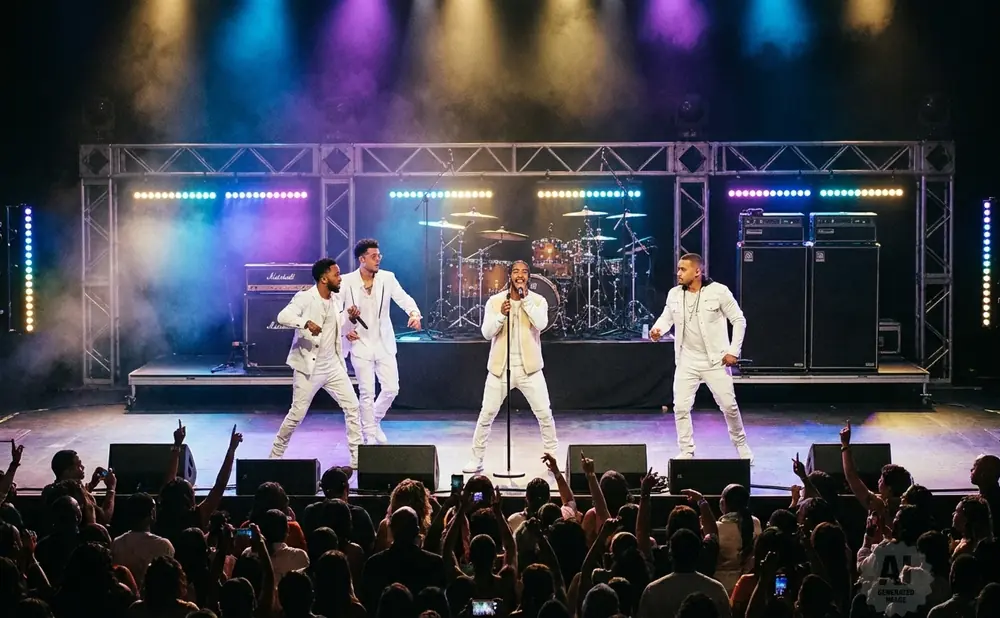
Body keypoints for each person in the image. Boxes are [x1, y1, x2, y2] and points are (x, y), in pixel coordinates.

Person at [649, 253, 753, 463]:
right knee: (680, 407)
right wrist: (657, 329)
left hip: (715, 361)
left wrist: (733, 350)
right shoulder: (674, 294)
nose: (678, 273)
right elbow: (666, 316)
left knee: (728, 406)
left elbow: (739, 320)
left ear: (697, 271)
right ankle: (686, 450)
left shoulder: (719, 292)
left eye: (683, 269)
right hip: (687, 360)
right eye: (678, 269)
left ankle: (742, 447)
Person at [463, 260, 558, 474]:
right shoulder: (496, 302)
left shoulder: (538, 301)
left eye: (524, 272)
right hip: (500, 369)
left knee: (544, 413)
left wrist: (525, 302)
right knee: (486, 414)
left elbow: (541, 324)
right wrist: (500, 316)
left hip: (530, 370)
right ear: (510, 276)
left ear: (529, 277)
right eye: (516, 271)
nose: (520, 275)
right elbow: (487, 333)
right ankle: (476, 459)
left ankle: (552, 459)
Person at [269, 258, 363, 469]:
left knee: (352, 407)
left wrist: (352, 322)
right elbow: (283, 316)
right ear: (323, 278)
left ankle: (358, 459)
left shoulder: (337, 300)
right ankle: (274, 456)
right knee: (297, 415)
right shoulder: (305, 297)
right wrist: (305, 323)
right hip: (309, 368)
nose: (340, 278)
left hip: (333, 366)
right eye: (336, 275)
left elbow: (337, 328)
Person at [340, 238, 422, 445]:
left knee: (391, 388)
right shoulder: (347, 282)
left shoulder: (387, 278)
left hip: (383, 341)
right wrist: (345, 330)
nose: (378, 260)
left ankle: (373, 421)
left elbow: (403, 297)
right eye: (373, 256)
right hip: (360, 342)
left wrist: (414, 313)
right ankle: (368, 435)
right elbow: (334, 312)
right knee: (366, 392)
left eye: (379, 256)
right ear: (362, 259)